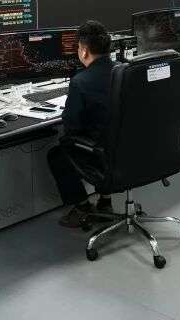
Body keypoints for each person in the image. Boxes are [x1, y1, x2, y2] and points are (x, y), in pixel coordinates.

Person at [48, 20, 115, 228]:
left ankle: (82, 206)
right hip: (132, 151)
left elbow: (72, 126)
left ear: (84, 51)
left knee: (58, 154)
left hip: (103, 155)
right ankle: (105, 202)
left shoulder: (81, 81)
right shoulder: (126, 72)